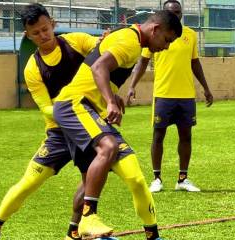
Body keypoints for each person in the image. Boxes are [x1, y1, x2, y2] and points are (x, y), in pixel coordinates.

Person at [0, 3, 101, 240]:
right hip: (58, 133)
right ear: (27, 35)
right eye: (35, 33)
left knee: (91, 181)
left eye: (45, 29)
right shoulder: (33, 67)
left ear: (53, 24)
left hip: (88, 128)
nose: (42, 36)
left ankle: (76, 231)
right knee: (28, 182)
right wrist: (73, 110)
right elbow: (45, 108)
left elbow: (106, 55)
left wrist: (109, 41)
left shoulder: (78, 41)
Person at [53, 10, 182, 240]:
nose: (166, 47)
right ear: (155, 30)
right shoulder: (130, 42)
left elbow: (97, 65)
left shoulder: (130, 37)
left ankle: (75, 234)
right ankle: (88, 217)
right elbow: (98, 67)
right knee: (109, 147)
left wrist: (112, 93)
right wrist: (111, 101)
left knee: (134, 177)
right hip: (75, 105)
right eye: (166, 40)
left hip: (93, 110)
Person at [126, 0, 213, 193]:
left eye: (178, 12)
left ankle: (183, 178)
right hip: (163, 94)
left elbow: (195, 63)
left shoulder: (189, 35)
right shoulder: (155, 35)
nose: (175, 15)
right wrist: (132, 86)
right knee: (158, 136)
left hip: (186, 95)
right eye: (171, 13)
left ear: (182, 14)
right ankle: (156, 178)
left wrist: (206, 88)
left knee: (186, 136)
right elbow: (142, 62)